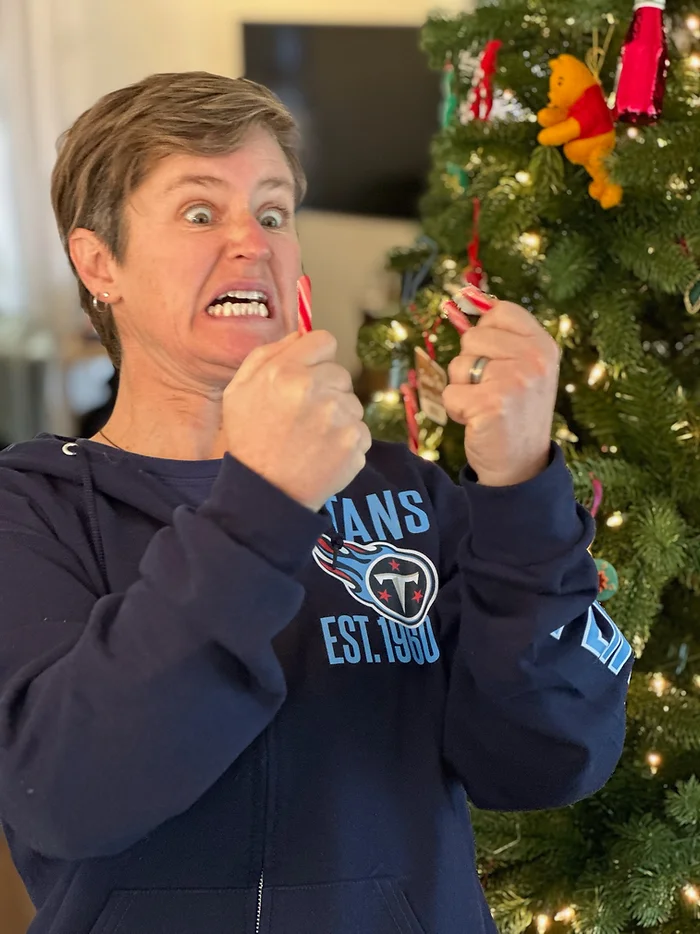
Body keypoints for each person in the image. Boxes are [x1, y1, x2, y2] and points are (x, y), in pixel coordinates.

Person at [0, 72, 632, 934]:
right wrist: (264, 504)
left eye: (271, 213)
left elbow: (546, 760)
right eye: (199, 212)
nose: (251, 243)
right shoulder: (30, 512)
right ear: (97, 261)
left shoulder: (408, 495)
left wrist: (521, 488)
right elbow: (68, 796)